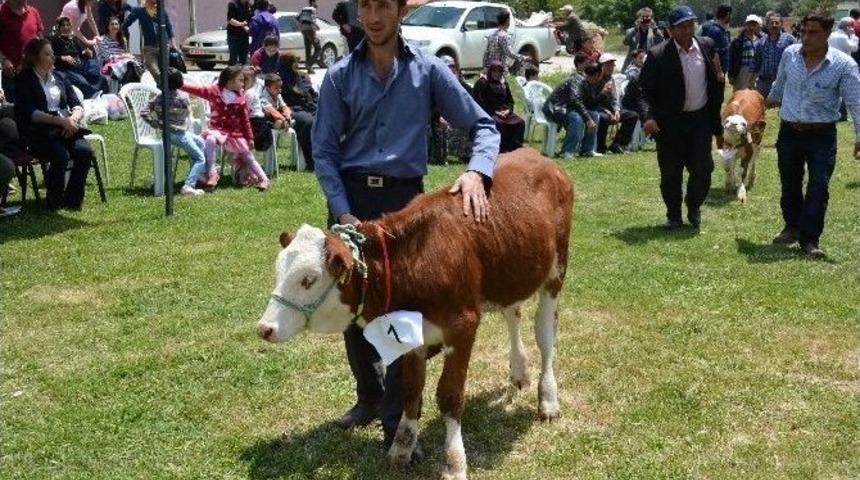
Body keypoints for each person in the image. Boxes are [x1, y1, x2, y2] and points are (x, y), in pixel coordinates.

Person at [311, 0, 499, 455]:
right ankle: (369, 398)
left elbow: (484, 126)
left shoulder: (429, 71)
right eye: (366, 7)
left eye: (383, 6)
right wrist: (341, 210)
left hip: (406, 207)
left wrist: (477, 172)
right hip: (350, 202)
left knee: (402, 314)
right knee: (353, 309)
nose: (374, 17)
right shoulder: (339, 77)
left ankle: (397, 416)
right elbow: (324, 152)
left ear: (399, 12)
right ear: (358, 13)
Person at [766, 9, 860, 258]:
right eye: (804, 31)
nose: (806, 38)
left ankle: (810, 239)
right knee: (790, 182)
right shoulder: (790, 55)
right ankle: (791, 227)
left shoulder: (843, 64)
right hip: (789, 132)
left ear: (828, 33)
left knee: (819, 185)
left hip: (821, 135)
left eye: (814, 33)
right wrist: (766, 101)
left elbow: (856, 103)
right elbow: (780, 84)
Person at [640, 5, 725, 230]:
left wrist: (720, 80)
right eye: (682, 27)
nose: (688, 30)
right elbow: (644, 91)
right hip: (670, 124)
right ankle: (674, 215)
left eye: (691, 25)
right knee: (671, 173)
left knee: (703, 168)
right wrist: (648, 116)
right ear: (671, 30)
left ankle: (694, 205)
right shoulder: (658, 55)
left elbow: (716, 81)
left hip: (700, 121)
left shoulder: (707, 46)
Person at [14, 37, 94, 211]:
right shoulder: (24, 80)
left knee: (85, 152)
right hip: (39, 131)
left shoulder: (59, 76)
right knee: (60, 156)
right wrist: (61, 121)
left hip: (66, 125)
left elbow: (77, 104)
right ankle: (54, 200)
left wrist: (73, 119)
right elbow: (31, 113)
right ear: (35, 57)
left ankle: (72, 200)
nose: (52, 57)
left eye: (52, 53)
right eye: (47, 54)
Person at [181, 65, 270, 190]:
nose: (243, 83)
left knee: (247, 155)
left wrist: (249, 137)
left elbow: (245, 120)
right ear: (230, 80)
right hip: (217, 130)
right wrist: (179, 84)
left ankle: (263, 178)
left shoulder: (240, 98)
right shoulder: (214, 91)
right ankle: (211, 173)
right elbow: (197, 89)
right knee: (210, 139)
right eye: (240, 80)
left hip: (234, 133)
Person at [141, 68, 207, 196]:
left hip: (167, 132)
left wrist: (155, 122)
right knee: (200, 158)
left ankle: (197, 175)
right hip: (179, 134)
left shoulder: (158, 98)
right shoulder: (182, 98)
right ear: (180, 82)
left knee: (200, 142)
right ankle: (189, 185)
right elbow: (188, 112)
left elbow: (144, 112)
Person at [542, 52, 596, 159]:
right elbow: (575, 99)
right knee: (577, 118)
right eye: (587, 63)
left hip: (567, 108)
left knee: (594, 115)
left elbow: (587, 102)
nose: (589, 65)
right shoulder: (576, 78)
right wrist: (587, 119)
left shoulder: (586, 79)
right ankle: (567, 151)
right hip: (555, 108)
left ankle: (586, 149)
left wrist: (590, 117)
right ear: (579, 64)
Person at [580, 58, 637, 155]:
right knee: (603, 118)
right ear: (601, 66)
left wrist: (616, 110)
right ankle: (600, 146)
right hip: (597, 110)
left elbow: (614, 98)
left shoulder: (611, 79)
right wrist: (606, 109)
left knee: (632, 115)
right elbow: (592, 101)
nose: (611, 68)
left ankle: (618, 144)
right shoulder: (595, 78)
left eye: (612, 66)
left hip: (611, 110)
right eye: (608, 65)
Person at [473, 60, 525, 153]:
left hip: (504, 111)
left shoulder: (503, 83)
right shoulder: (483, 83)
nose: (496, 74)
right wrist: (495, 112)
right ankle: (501, 149)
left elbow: (510, 101)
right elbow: (480, 102)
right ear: (490, 71)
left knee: (520, 122)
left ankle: (515, 148)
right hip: (488, 111)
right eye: (494, 71)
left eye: (499, 71)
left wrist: (508, 111)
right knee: (499, 124)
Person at [51, 15, 108, 99]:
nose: (66, 27)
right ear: (58, 27)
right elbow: (50, 57)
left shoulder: (73, 39)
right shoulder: (54, 40)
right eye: (63, 25)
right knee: (83, 83)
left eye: (68, 25)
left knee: (101, 78)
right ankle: (94, 97)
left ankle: (105, 97)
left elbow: (80, 53)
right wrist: (63, 58)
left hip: (80, 67)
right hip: (66, 70)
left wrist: (85, 52)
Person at [277, 53, 318, 169]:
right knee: (308, 122)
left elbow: (312, 93)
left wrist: (317, 104)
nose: (296, 65)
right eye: (293, 62)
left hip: (309, 107)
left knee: (327, 118)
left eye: (297, 62)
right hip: (291, 109)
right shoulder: (279, 80)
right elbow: (280, 101)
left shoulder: (302, 77)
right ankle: (311, 161)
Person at [0, 0, 44, 103]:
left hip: (34, 72)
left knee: (39, 108)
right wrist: (3, 60)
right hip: (12, 75)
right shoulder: (2, 12)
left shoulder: (33, 11)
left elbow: (40, 37)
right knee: (18, 113)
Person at [121, 0, 175, 76]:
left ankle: (165, 87)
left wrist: (173, 41)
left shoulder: (161, 10)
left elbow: (168, 27)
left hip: (164, 46)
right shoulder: (139, 10)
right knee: (155, 71)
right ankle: (165, 86)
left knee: (165, 73)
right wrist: (120, 36)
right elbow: (126, 23)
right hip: (149, 48)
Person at [753, 12, 795, 97]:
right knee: (759, 107)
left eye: (777, 23)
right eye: (771, 23)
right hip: (763, 83)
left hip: (783, 82)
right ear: (767, 25)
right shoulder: (761, 42)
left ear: (781, 24)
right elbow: (756, 62)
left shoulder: (789, 39)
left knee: (784, 108)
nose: (774, 25)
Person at [482, 10, 526, 74]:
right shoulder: (503, 36)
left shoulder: (492, 35)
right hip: (499, 70)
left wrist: (485, 67)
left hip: (491, 69)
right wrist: (523, 58)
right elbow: (509, 53)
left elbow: (486, 53)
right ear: (507, 20)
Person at [729, 15, 763, 91]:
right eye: (750, 24)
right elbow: (731, 58)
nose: (752, 27)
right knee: (740, 92)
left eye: (754, 25)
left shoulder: (760, 39)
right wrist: (731, 75)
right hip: (742, 70)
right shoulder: (738, 40)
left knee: (753, 92)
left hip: (756, 70)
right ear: (745, 25)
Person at [242, 67, 272, 151]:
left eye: (246, 80)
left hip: (256, 122)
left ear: (252, 82)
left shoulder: (249, 93)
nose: (243, 82)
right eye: (242, 80)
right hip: (252, 119)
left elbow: (246, 111)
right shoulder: (245, 92)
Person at [259, 73, 293, 139]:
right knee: (279, 122)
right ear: (267, 88)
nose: (279, 90)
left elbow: (284, 106)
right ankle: (272, 141)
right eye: (276, 88)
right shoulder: (263, 98)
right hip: (266, 121)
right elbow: (273, 111)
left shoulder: (277, 95)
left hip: (276, 117)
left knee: (289, 116)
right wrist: (284, 119)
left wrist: (287, 114)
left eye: (280, 87)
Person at [699, 4, 731, 71]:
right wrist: (719, 72)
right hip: (716, 73)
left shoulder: (721, 30)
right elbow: (713, 54)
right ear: (727, 14)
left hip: (721, 71)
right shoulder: (716, 31)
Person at [298, 0, 322, 73]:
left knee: (308, 48)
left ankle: (309, 68)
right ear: (312, 2)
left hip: (303, 29)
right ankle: (309, 64)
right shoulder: (313, 10)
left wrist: (301, 28)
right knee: (318, 49)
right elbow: (313, 21)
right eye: (316, 2)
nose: (317, 4)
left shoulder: (304, 9)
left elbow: (298, 19)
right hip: (310, 29)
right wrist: (315, 34)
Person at [227, 0, 253, 66]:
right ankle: (231, 75)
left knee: (244, 58)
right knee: (233, 58)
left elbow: (251, 18)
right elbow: (230, 20)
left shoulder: (249, 5)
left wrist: (247, 25)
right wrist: (242, 24)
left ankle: (242, 74)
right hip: (233, 35)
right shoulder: (233, 4)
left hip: (244, 35)